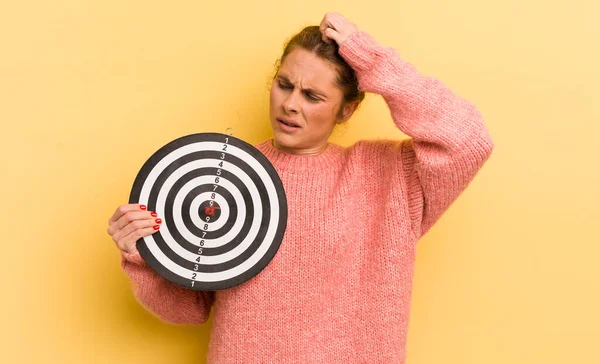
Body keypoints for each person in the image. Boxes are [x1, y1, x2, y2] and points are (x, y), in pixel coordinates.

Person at [107, 12, 494, 363]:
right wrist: (143, 255)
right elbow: (188, 310)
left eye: (312, 96)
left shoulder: (389, 176)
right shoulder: (222, 173)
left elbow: (468, 140)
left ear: (347, 109)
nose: (291, 104)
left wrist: (375, 62)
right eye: (284, 85)